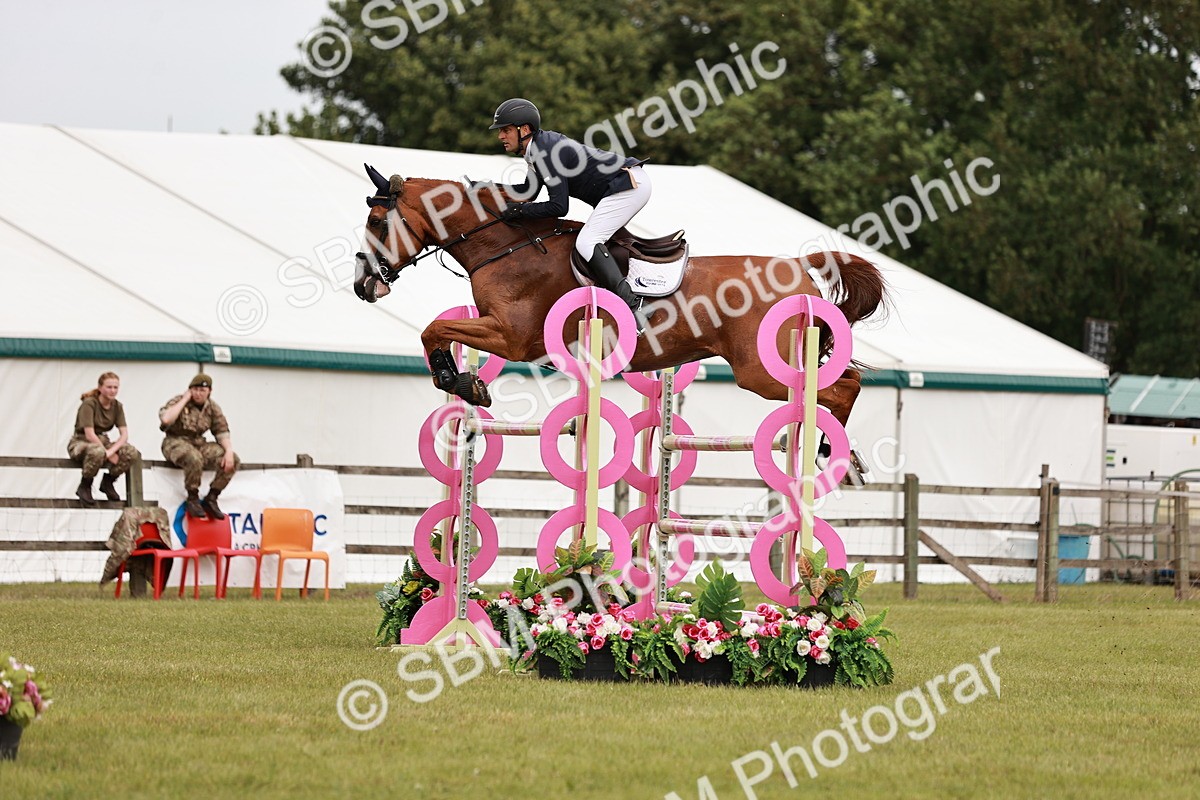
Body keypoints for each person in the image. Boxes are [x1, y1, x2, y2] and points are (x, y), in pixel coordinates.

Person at [488, 97, 651, 328]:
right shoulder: (538, 149)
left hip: (629, 185)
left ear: (524, 129)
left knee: (586, 242)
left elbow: (558, 207)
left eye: (505, 130)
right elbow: (527, 191)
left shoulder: (546, 152)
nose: (500, 136)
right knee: (591, 240)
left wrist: (520, 210)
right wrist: (484, 189)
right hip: (624, 184)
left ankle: (634, 306)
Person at [159, 373, 239, 520]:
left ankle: (212, 497)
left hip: (198, 443)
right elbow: (166, 419)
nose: (198, 393)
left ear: (209, 391)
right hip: (175, 442)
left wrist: (228, 451)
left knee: (232, 458)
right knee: (194, 458)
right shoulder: (179, 401)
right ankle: (192, 497)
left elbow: (222, 432)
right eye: (195, 390)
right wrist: (184, 399)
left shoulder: (212, 408)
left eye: (202, 390)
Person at [67, 372, 141, 506]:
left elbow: (124, 434)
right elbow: (89, 433)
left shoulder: (117, 406)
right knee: (97, 452)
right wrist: (105, 453)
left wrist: (111, 452)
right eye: (109, 387)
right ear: (100, 388)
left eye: (115, 387)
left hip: (102, 441)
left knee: (131, 452)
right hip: (82, 441)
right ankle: (85, 485)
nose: (113, 391)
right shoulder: (89, 404)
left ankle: (109, 481)